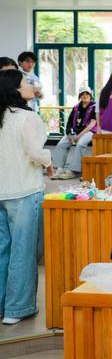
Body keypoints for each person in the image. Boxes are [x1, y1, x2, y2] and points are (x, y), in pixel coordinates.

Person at [0, 69, 51, 324]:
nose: (31, 85)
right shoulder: (27, 117)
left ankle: (2, 305)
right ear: (16, 90)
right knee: (23, 250)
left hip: (2, 191)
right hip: (24, 191)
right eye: (26, 82)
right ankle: (17, 308)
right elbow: (35, 152)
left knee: (2, 250)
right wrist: (49, 161)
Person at [52, 86, 96, 180]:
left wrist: (78, 136)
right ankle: (59, 169)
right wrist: (69, 134)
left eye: (87, 94)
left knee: (80, 144)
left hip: (90, 131)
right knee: (62, 144)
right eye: (82, 94)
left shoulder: (94, 107)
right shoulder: (76, 107)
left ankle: (75, 170)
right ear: (80, 96)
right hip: (76, 132)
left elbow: (92, 125)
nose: (85, 96)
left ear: (90, 95)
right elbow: (69, 123)